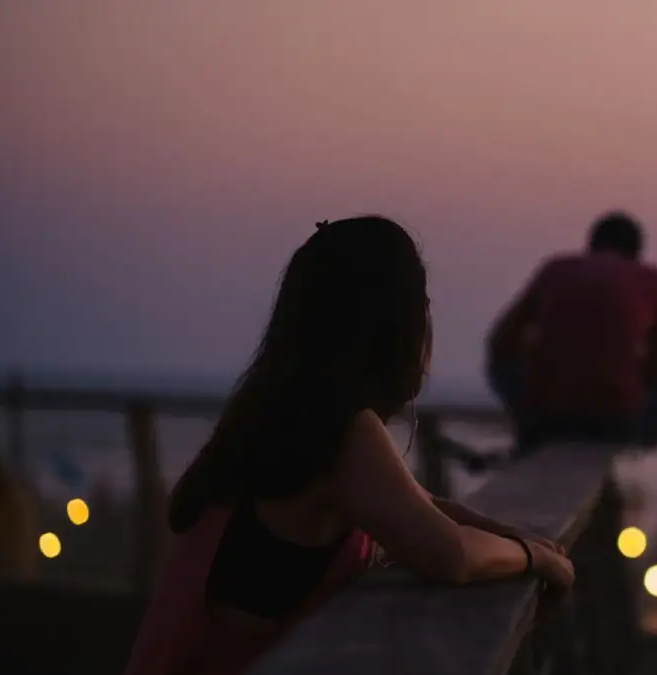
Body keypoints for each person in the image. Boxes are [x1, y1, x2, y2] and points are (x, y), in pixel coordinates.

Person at [124, 216, 574, 675]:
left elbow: (421, 505)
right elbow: (448, 554)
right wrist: (534, 559)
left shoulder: (278, 414)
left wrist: (516, 537)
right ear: (397, 327)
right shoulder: (341, 430)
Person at [486, 210, 657, 450]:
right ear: (637, 253)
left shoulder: (555, 269)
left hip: (546, 415)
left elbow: (500, 342)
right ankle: (644, 437)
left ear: (590, 246)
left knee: (505, 363)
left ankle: (530, 425)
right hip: (616, 422)